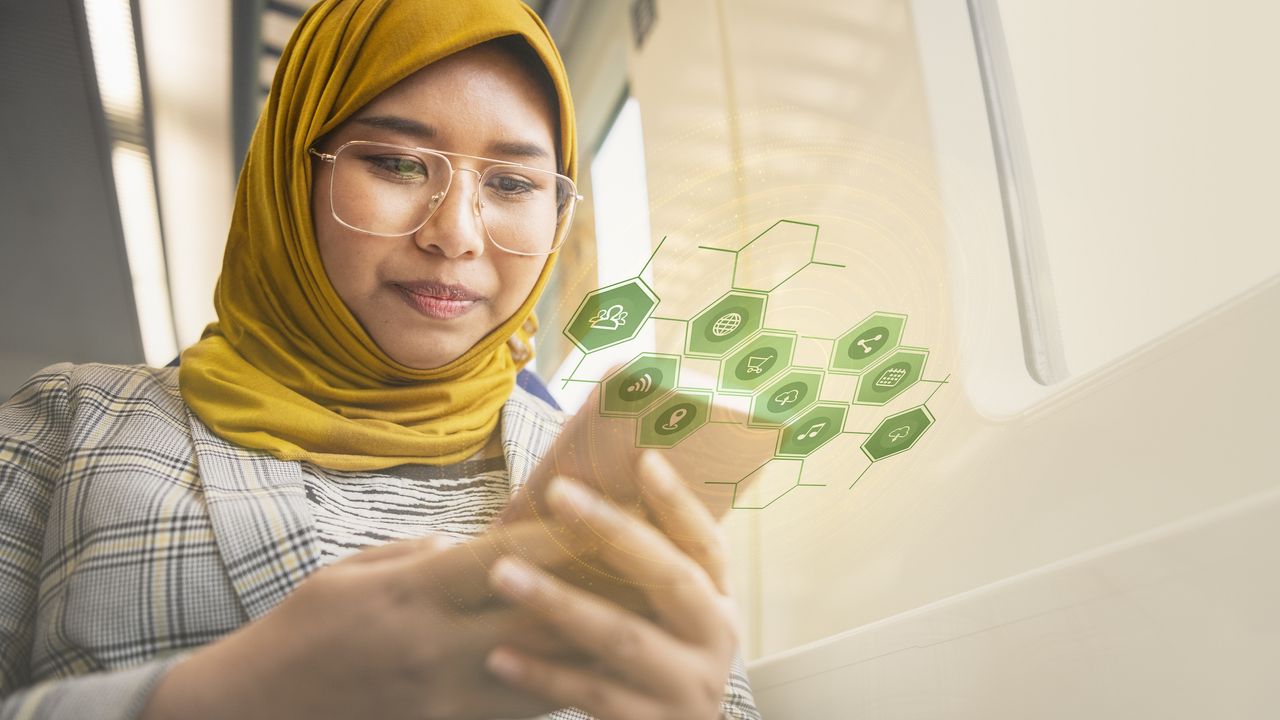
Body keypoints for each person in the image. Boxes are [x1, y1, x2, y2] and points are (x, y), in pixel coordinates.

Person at [0, 1, 760, 718]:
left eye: (511, 182)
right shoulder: (70, 428)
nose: (456, 233)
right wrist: (223, 695)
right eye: (398, 164)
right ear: (297, 175)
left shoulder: (614, 477)